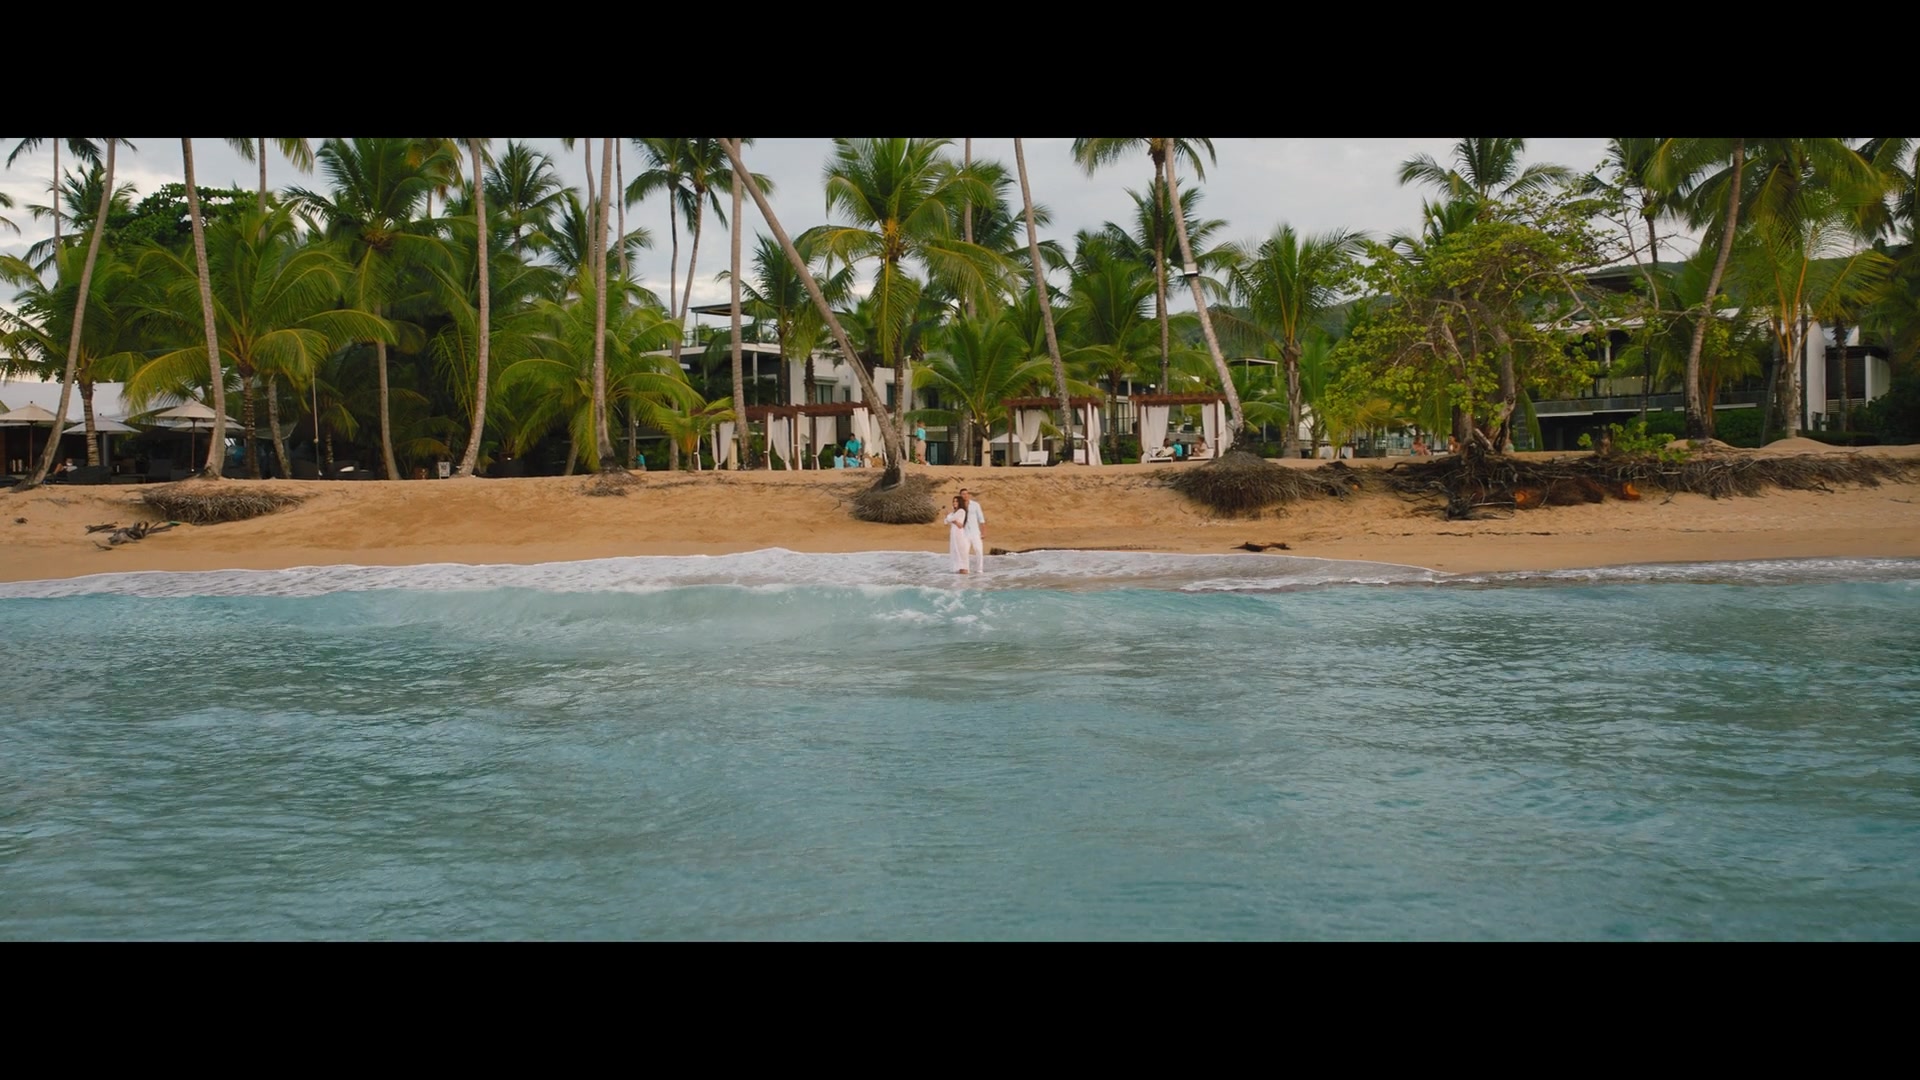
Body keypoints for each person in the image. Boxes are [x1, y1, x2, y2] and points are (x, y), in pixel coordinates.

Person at [959, 487, 987, 573]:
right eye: (963, 494)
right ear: (960, 495)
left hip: (975, 532)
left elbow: (981, 519)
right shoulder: (959, 506)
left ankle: (979, 570)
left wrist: (983, 532)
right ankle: (966, 569)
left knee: (979, 551)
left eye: (967, 494)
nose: (965, 495)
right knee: (964, 552)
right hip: (964, 533)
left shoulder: (975, 505)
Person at [944, 495, 971, 573]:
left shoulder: (961, 511)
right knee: (955, 551)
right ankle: (959, 572)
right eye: (953, 501)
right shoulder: (954, 512)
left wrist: (950, 518)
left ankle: (964, 570)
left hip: (959, 534)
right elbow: (946, 521)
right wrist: (952, 519)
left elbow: (950, 519)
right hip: (954, 534)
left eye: (956, 501)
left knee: (961, 552)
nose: (954, 503)